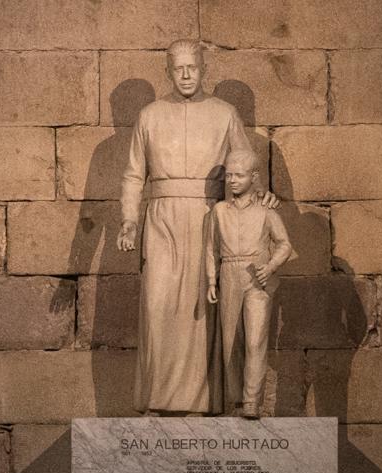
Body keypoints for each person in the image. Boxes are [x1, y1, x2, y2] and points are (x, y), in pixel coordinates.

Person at [117, 39, 273, 413]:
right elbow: (133, 174)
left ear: (204, 69)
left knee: (203, 312)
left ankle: (205, 404)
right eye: (178, 68)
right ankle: (156, 400)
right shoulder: (150, 116)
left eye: (193, 68)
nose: (186, 75)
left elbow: (245, 163)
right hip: (162, 220)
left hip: (208, 218)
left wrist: (263, 196)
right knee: (157, 307)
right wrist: (128, 220)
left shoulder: (225, 114)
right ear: (167, 72)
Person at [204, 146, 295, 419]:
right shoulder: (219, 211)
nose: (232, 180)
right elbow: (211, 248)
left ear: (254, 177)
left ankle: (252, 400)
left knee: (255, 340)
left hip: (257, 278)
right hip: (229, 273)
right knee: (231, 340)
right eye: (229, 175)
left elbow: (284, 244)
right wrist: (211, 280)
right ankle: (237, 401)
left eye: (239, 175)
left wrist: (271, 267)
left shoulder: (267, 213)